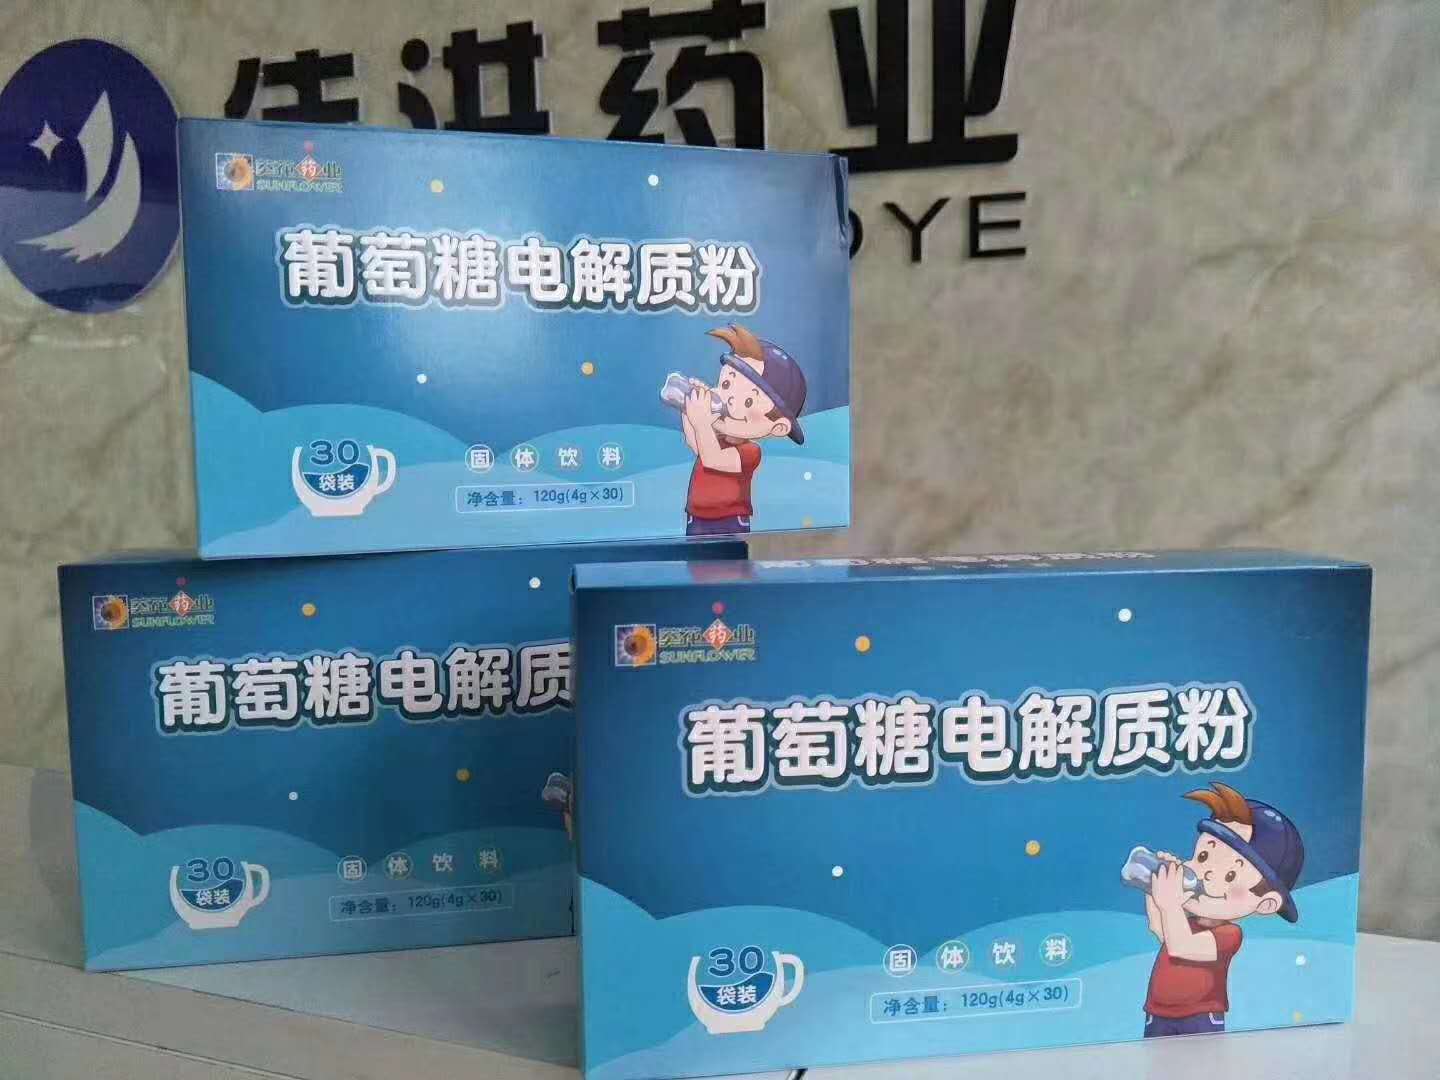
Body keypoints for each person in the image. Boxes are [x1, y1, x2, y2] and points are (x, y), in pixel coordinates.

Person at [1142, 781, 1305, 1037]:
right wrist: (1153, 885)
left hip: (1200, 1017)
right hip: (1157, 1014)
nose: (1205, 874)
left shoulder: (1229, 935)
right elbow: (1158, 928)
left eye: (1230, 875)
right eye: (1203, 857)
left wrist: (1171, 903)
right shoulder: (1185, 922)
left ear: (1266, 903)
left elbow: (1182, 946)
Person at [680, 324, 807, 536]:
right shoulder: (715, 437)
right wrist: (687, 408)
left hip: (729, 521)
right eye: (726, 385)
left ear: (778, 426)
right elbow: (696, 445)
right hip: (697, 517)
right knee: (695, 558)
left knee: (730, 559)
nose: (729, 401)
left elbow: (713, 459)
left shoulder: (751, 452)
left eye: (748, 401)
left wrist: (702, 422)